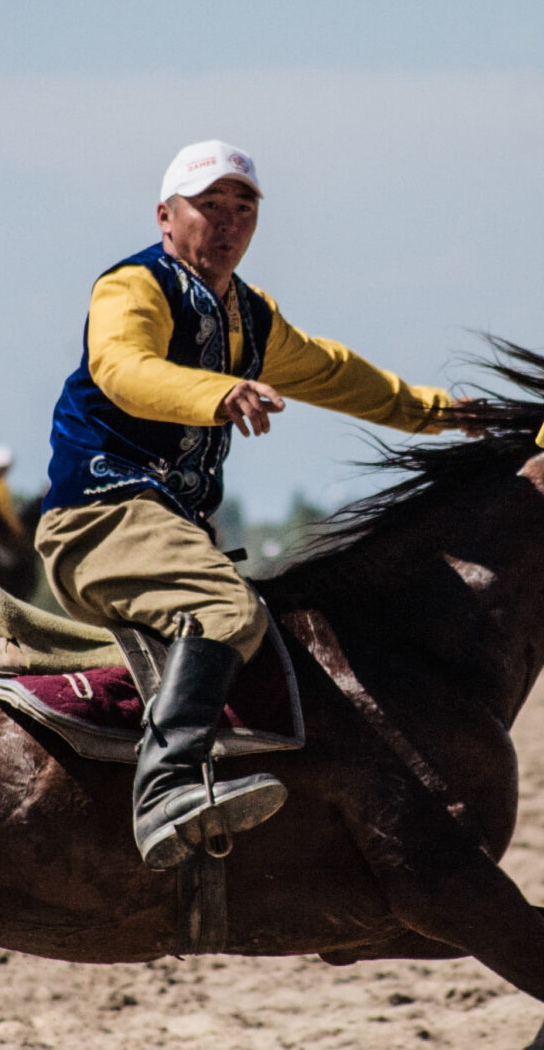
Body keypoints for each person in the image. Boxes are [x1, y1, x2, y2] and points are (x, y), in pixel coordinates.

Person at [39, 139, 458, 870]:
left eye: (244, 208)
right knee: (227, 613)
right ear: (166, 216)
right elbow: (122, 369)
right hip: (99, 517)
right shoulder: (132, 288)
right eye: (210, 206)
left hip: (167, 528)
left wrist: (442, 414)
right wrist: (217, 393)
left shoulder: (250, 319)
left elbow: (334, 372)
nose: (228, 222)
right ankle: (165, 788)